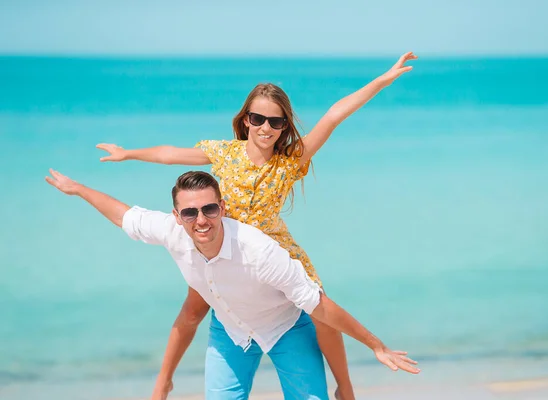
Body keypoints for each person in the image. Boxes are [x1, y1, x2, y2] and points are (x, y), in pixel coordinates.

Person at [95, 52, 418, 400]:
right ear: (246, 119)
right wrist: (128, 153)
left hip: (271, 248)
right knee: (193, 309)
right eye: (258, 118)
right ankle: (164, 382)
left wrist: (382, 80)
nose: (266, 127)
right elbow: (170, 154)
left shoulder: (290, 160)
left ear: (284, 127)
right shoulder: (225, 153)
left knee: (321, 309)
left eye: (276, 122)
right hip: (222, 246)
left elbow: (334, 115)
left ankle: (345, 386)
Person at [45, 169, 420, 400]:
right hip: (230, 332)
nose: (201, 220)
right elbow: (123, 214)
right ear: (177, 217)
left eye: (209, 209)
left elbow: (319, 305)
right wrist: (79, 189)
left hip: (285, 327)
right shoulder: (170, 231)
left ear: (222, 208)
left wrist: (377, 345)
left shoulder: (259, 250)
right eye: (190, 212)